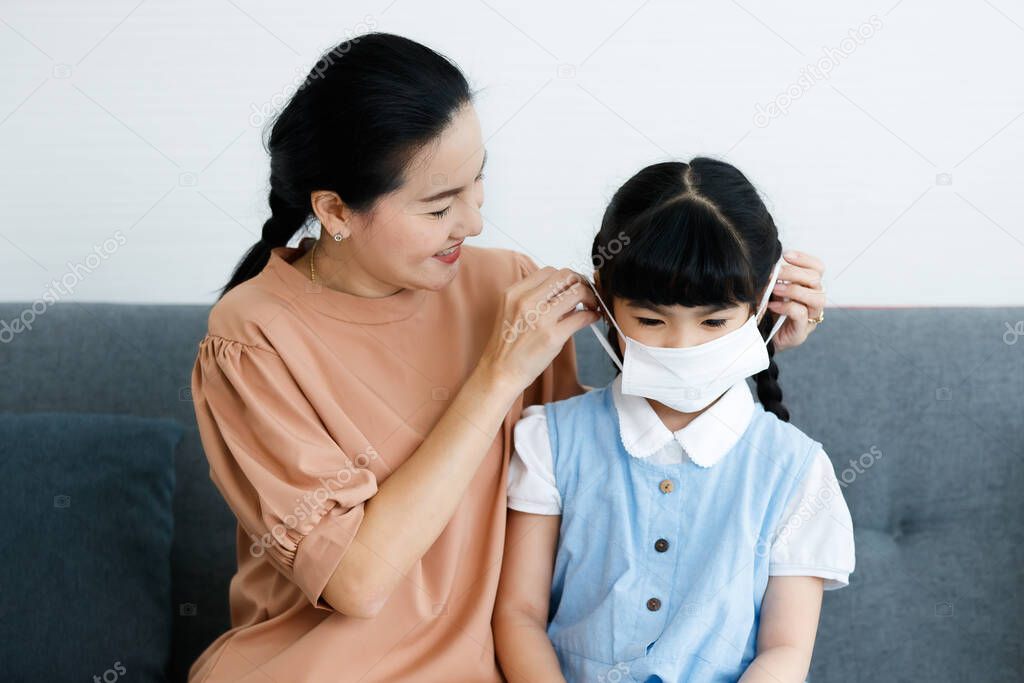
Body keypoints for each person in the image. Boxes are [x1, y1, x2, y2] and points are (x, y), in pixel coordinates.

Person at [189, 32, 828, 682]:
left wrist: (744, 346)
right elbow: (357, 580)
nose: (472, 222)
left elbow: (612, 467)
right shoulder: (250, 342)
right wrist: (497, 374)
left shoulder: (504, 285)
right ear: (334, 210)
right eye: (439, 205)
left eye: (478, 181)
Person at [493, 158, 852, 683]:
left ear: (762, 304)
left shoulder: (796, 471)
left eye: (714, 321)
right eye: (650, 320)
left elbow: (784, 652)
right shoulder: (550, 441)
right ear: (605, 299)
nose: (683, 345)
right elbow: (519, 616)